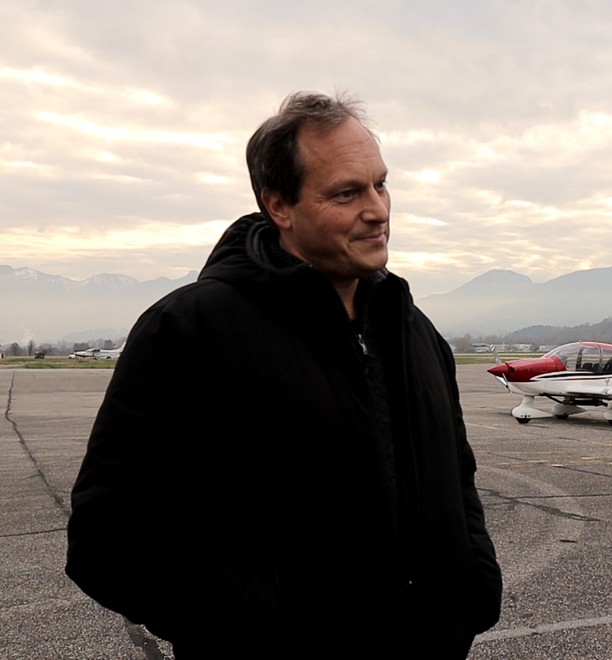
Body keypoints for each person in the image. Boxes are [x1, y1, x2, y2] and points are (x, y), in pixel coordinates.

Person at [66, 91, 503, 658]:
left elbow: (458, 477)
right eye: (347, 192)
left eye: (380, 183)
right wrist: (274, 627)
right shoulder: (191, 331)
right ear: (279, 206)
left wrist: (474, 588)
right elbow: (109, 539)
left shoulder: (415, 332)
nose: (378, 209)